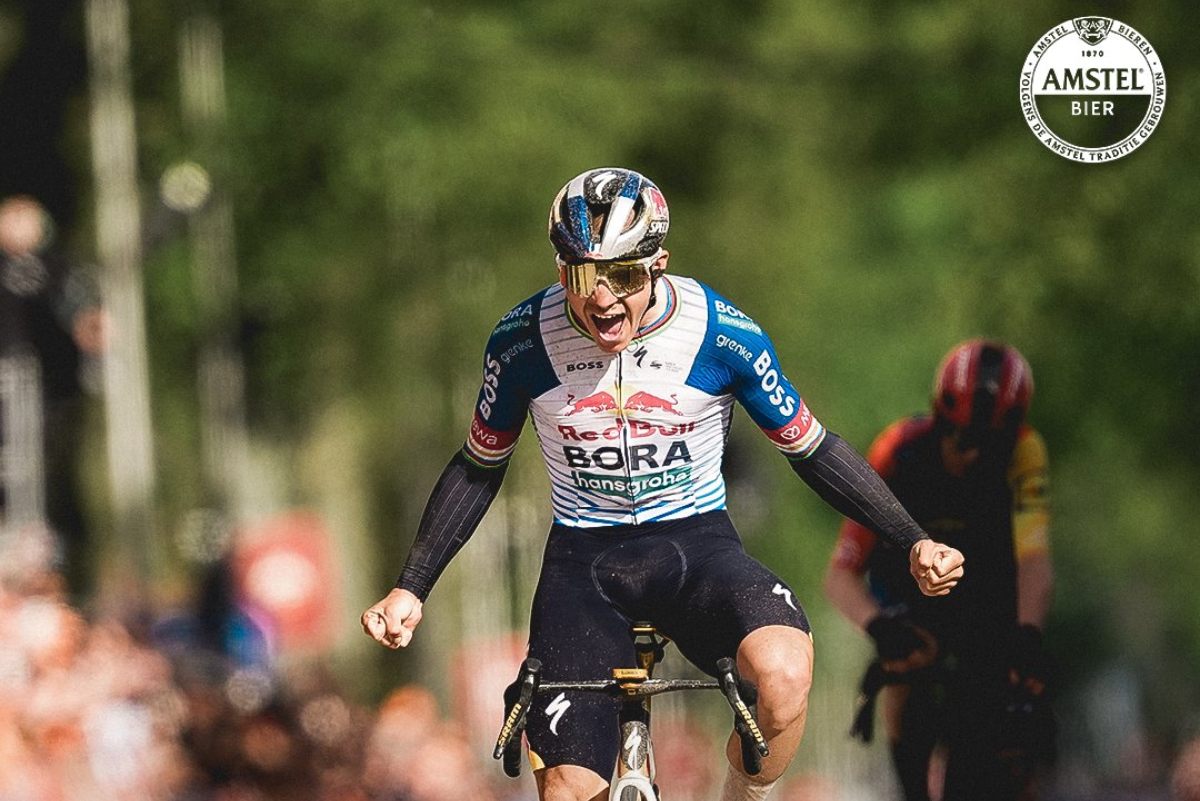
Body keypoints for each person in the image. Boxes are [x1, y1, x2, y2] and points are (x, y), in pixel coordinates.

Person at [361, 167, 965, 801]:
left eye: (623, 276)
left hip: (697, 549)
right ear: (560, 270)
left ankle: (741, 795)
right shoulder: (522, 343)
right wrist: (411, 586)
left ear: (658, 264)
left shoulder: (720, 332)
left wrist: (912, 540)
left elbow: (812, 449)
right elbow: (479, 465)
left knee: (784, 677)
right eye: (582, 277)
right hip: (583, 566)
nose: (601, 300)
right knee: (567, 793)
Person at [823, 340, 1056, 801]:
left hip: (987, 590)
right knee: (906, 671)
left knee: (1002, 717)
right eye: (961, 439)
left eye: (990, 447)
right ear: (938, 419)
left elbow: (1033, 560)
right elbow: (841, 575)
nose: (972, 458)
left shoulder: (1025, 449)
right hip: (908, 597)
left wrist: (1027, 636)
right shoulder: (897, 450)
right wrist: (879, 628)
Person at [0, 195, 105, 600]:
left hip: (47, 398)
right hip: (8, 397)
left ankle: (57, 577)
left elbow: (86, 315)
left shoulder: (60, 268)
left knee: (51, 484)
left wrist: (91, 329)